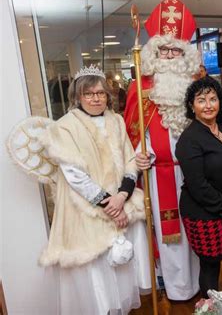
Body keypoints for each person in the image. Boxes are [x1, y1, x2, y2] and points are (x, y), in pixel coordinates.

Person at [39, 65, 150, 314]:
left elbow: (130, 159)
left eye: (100, 93)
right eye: (88, 94)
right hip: (87, 207)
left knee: (122, 267)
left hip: (121, 200)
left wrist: (122, 196)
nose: (95, 98)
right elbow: (75, 175)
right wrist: (109, 205)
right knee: (97, 268)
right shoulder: (64, 127)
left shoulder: (117, 120)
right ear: (77, 97)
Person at [124, 0, 200, 300]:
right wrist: (138, 154)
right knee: (170, 234)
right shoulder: (140, 87)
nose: (169, 54)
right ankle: (177, 287)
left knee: (195, 227)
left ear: (185, 53)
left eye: (176, 49)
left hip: (194, 173)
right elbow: (133, 126)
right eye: (165, 49)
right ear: (156, 51)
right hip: (160, 174)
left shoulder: (197, 83)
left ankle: (198, 283)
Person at [176, 77, 222, 297]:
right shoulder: (189, 140)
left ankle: (214, 303)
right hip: (202, 212)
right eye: (201, 100)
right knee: (210, 262)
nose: (208, 105)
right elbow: (198, 185)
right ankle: (210, 306)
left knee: (219, 257)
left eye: (213, 99)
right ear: (191, 105)